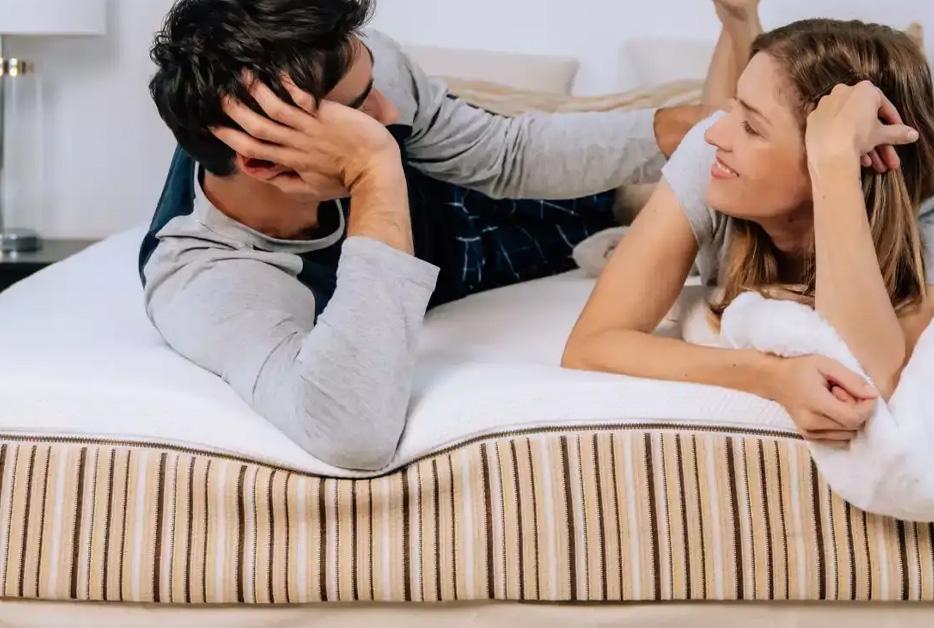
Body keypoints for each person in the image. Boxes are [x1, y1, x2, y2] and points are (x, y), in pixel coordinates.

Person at [140, 0, 704, 470]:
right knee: (597, 223)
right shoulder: (205, 280)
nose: (390, 109)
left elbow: (505, 154)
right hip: (435, 256)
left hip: (443, 182)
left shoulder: (349, 64)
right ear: (268, 162)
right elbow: (350, 433)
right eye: (363, 109)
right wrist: (375, 169)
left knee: (638, 170)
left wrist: (685, 125)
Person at [562, 2, 934, 444]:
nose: (714, 134)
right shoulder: (708, 157)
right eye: (733, 111)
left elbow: (873, 376)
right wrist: (771, 376)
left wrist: (835, 167)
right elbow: (591, 344)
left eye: (752, 127)